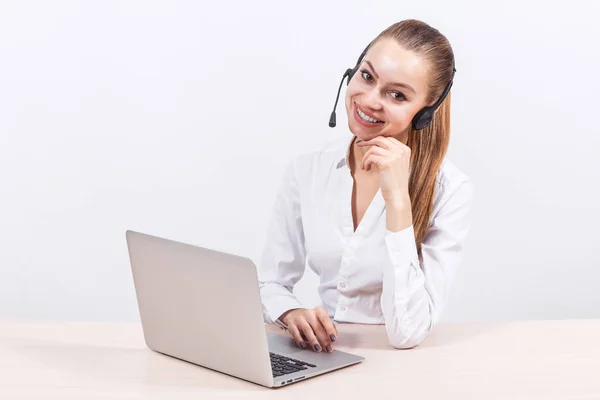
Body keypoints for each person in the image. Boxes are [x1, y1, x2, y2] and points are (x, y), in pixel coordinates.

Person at [257, 19, 475, 352]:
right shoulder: (309, 169)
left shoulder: (451, 190)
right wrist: (290, 312)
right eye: (367, 76)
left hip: (401, 364)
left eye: (397, 94)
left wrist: (398, 200)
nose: (370, 100)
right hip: (322, 354)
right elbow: (270, 281)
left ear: (425, 112)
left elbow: (408, 333)